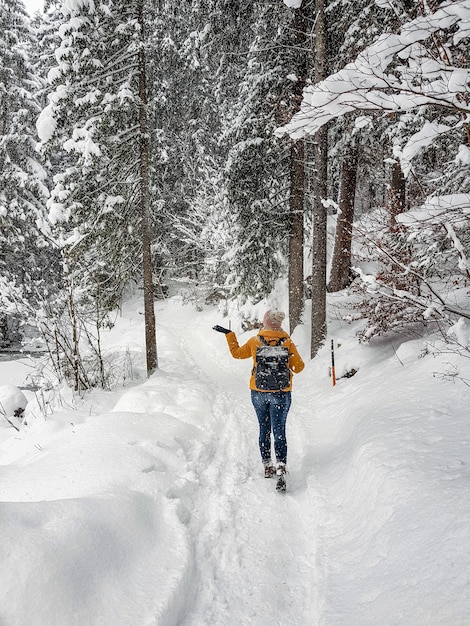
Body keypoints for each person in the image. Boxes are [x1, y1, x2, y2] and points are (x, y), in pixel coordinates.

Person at [213, 310, 304, 491]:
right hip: (280, 392)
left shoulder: (256, 341)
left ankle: (267, 464)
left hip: (259, 391)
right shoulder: (287, 342)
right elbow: (299, 367)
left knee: (264, 428)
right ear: (279, 324)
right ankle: (281, 467)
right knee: (279, 430)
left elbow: (237, 353)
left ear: (266, 322)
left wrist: (230, 335)